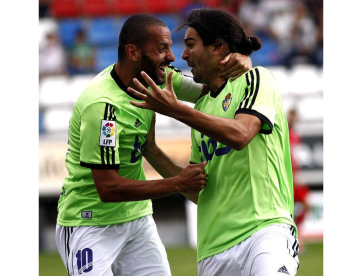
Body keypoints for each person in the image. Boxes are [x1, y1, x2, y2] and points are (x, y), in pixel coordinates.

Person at [55, 14, 253, 276]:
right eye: (162, 49)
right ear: (133, 52)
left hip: (137, 219)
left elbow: (213, 86)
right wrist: (178, 183)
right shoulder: (103, 107)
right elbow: (108, 188)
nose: (172, 56)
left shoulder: (157, 79)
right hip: (89, 222)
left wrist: (242, 61)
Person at [128, 8, 300, 276]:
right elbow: (199, 191)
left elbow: (241, 135)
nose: (183, 55)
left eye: (190, 44)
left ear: (217, 46)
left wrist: (177, 110)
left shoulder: (256, 79)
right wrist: (152, 151)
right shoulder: (204, 104)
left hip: (264, 232)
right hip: (213, 250)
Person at [287, 108, 310, 253]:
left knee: (306, 204)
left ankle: (296, 234)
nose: (294, 119)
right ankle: (292, 238)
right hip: (286, 177)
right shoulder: (282, 132)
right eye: (292, 116)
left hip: (295, 176)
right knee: (287, 209)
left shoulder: (295, 136)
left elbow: (295, 158)